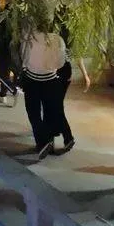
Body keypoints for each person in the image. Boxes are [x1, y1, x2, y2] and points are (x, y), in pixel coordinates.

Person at [20, 19, 66, 160]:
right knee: (49, 112)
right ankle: (50, 143)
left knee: (33, 113)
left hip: (32, 79)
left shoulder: (29, 38)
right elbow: (61, 62)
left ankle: (42, 142)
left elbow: (24, 57)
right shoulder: (58, 39)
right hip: (51, 79)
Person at [53, 9, 89, 153]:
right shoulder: (71, 36)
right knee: (56, 103)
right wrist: (85, 75)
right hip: (65, 70)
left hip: (56, 70)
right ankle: (57, 130)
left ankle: (68, 137)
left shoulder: (56, 35)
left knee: (55, 105)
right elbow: (78, 56)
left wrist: (85, 75)